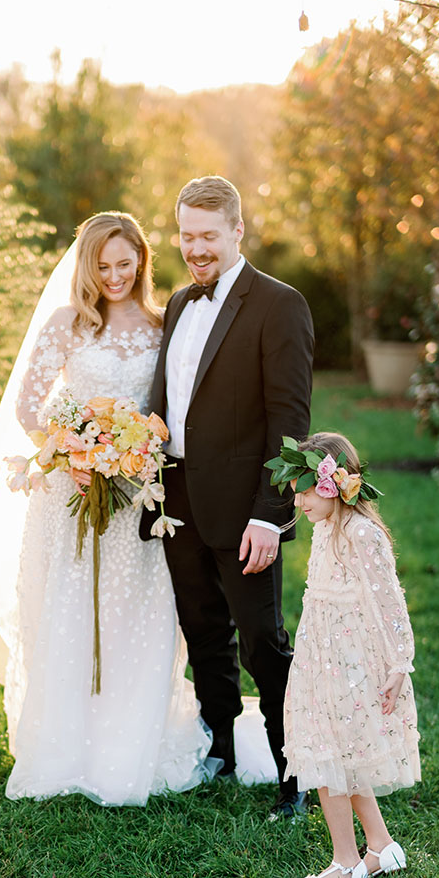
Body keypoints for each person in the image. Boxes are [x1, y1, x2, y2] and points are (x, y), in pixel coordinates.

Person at [0, 212, 210, 806]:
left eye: (126, 264)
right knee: (73, 609)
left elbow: (172, 407)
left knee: (138, 609)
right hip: (73, 494)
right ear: (86, 265)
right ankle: (68, 744)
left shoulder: (159, 325)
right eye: (103, 265)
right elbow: (28, 407)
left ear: (143, 263)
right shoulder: (66, 324)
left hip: (140, 497)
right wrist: (77, 449)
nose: (115, 275)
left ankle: (134, 741)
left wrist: (134, 450)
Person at [141, 175, 314, 819]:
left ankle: (295, 770)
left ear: (239, 231)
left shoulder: (280, 304)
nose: (197, 248)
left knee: (262, 640)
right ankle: (221, 747)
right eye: (187, 236)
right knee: (204, 629)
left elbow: (288, 420)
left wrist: (271, 516)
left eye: (209, 236)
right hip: (175, 496)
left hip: (246, 507)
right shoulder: (180, 304)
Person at [268, 431, 421, 878]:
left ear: (335, 483)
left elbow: (389, 601)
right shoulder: (325, 529)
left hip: (350, 659)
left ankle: (345, 861)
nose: (299, 501)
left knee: (327, 751)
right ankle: (381, 846)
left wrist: (400, 664)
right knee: (335, 750)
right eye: (295, 491)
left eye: (306, 488)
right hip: (320, 654)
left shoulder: (361, 533)